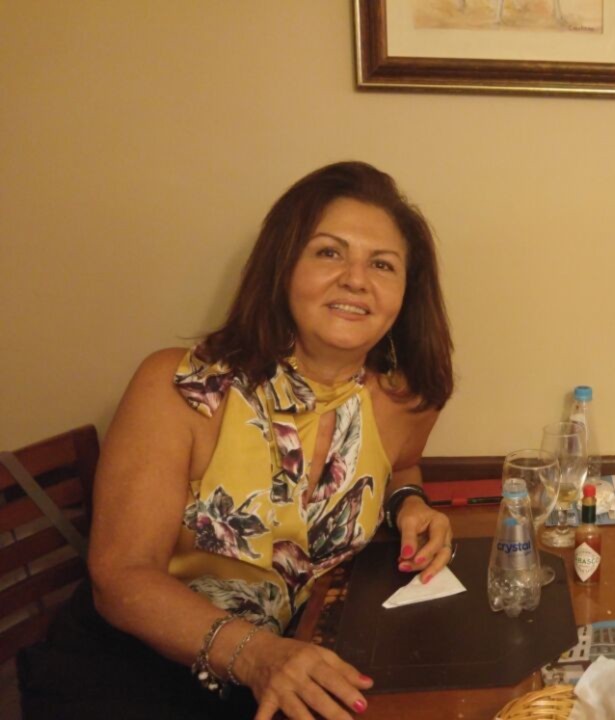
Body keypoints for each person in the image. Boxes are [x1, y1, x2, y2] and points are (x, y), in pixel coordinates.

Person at [19, 161, 456, 720]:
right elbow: (121, 576)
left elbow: (402, 466)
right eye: (328, 252)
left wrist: (409, 503)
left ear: (405, 292)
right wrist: (258, 656)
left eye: (382, 264)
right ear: (282, 266)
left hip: (286, 667)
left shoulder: (405, 400)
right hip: (133, 673)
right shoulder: (178, 385)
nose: (355, 278)